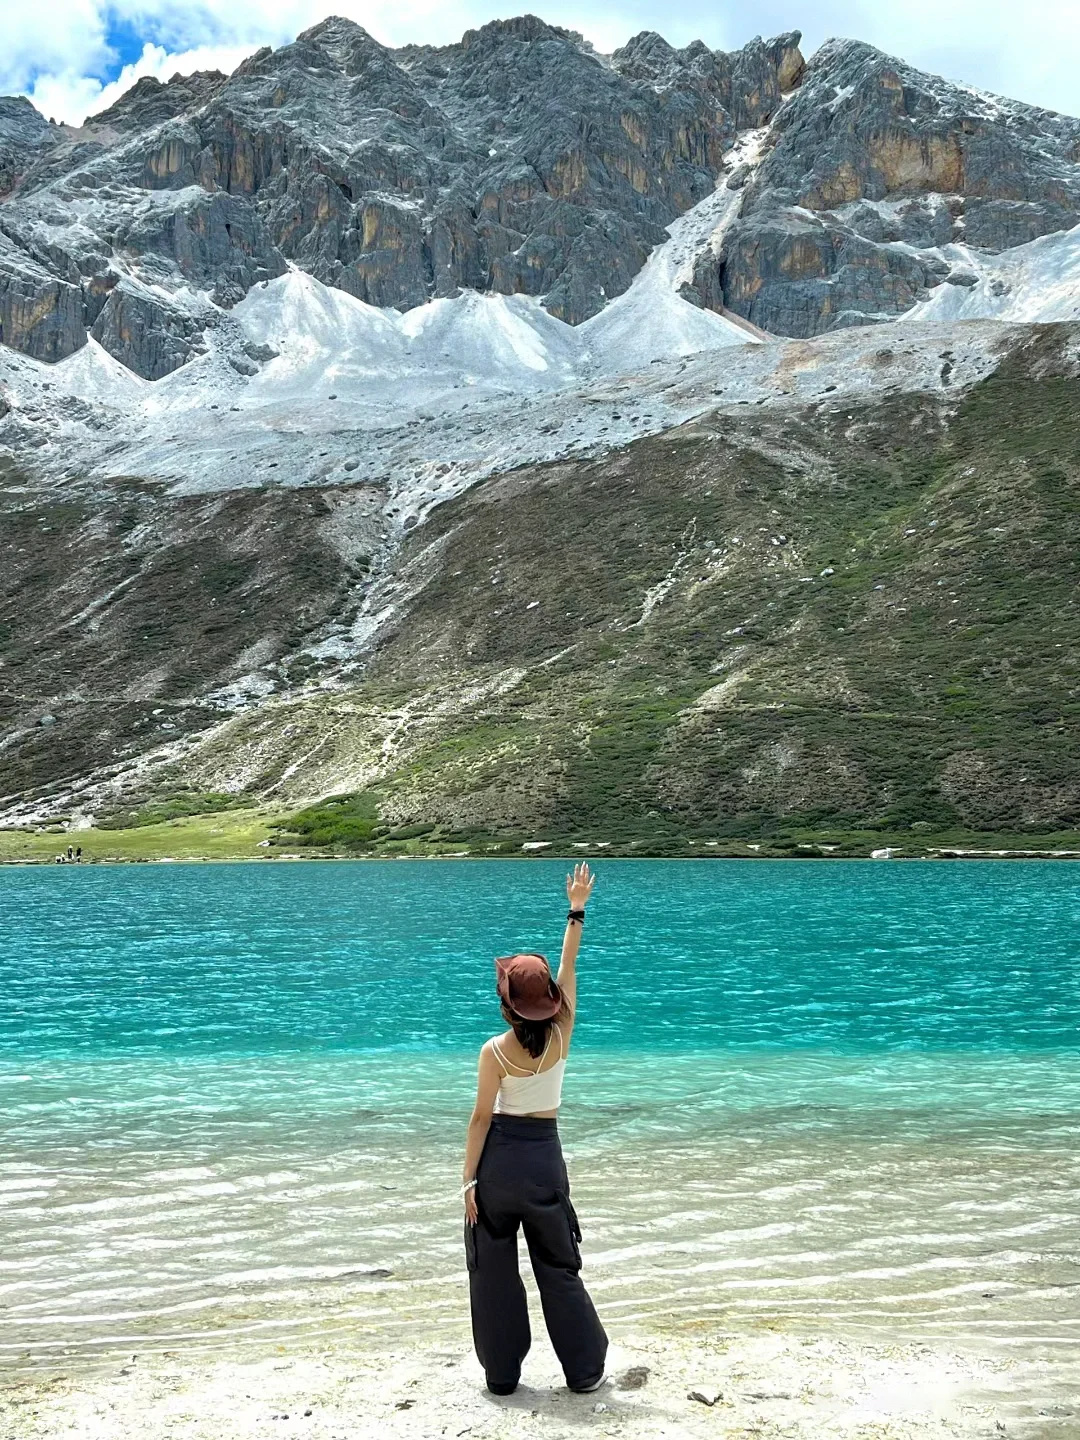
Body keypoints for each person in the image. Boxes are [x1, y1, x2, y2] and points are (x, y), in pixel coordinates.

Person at [462, 861, 608, 1396]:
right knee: (558, 1266)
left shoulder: (494, 1051)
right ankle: (584, 1372)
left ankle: (502, 1377)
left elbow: (480, 1119)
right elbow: (569, 961)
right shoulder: (564, 1030)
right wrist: (576, 907)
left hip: (499, 1164)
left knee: (494, 1274)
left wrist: (468, 1183)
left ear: (506, 1005)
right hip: (545, 1160)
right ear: (549, 999)